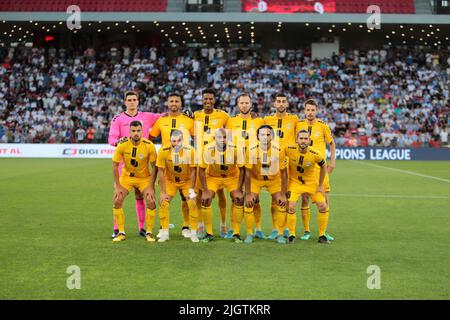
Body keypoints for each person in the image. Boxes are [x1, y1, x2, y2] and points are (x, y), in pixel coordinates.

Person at [108, 91, 161, 239]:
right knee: (118, 195)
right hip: (124, 163)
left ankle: (142, 228)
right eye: (129, 100)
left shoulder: (147, 116)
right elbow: (111, 137)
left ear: (138, 101)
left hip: (142, 163)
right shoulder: (118, 119)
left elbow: (164, 117)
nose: (132, 102)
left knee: (140, 195)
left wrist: (186, 114)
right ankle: (117, 229)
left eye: (134, 100)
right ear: (125, 102)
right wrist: (118, 142)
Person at [149, 92, 195, 238]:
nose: (174, 103)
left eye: (176, 101)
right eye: (171, 101)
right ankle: (164, 229)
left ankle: (186, 227)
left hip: (184, 164)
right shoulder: (161, 121)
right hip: (167, 164)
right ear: (168, 104)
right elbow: (150, 137)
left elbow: (197, 136)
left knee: (186, 198)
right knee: (164, 198)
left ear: (180, 103)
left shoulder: (188, 121)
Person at [225, 93, 264, 241]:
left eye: (247, 103)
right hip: (236, 165)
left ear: (251, 105)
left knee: (255, 198)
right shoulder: (231, 121)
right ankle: (233, 228)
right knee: (236, 196)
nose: (244, 105)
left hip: (253, 164)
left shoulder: (259, 121)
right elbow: (227, 141)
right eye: (241, 103)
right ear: (237, 105)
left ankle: (258, 228)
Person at [111, 121, 158, 242]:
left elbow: (155, 167)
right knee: (117, 199)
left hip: (144, 178)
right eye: (133, 131)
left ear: (142, 132)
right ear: (129, 132)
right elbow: (115, 165)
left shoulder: (149, 145)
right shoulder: (122, 144)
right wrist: (117, 186)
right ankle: (121, 232)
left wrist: (151, 186)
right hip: (127, 177)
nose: (136, 133)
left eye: (138, 131)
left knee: (151, 200)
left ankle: (149, 232)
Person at [296, 99, 335, 242]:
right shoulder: (299, 124)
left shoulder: (323, 126)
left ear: (316, 111)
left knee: (324, 198)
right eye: (308, 110)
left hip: (320, 168)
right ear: (304, 110)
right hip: (305, 168)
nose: (310, 113)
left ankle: (323, 231)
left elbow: (331, 143)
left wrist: (332, 161)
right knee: (305, 198)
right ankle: (306, 231)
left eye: (313, 110)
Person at [193, 88, 230, 238]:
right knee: (199, 193)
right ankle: (201, 224)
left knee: (220, 192)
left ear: (214, 100)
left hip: (216, 159)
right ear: (202, 100)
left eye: (210, 99)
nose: (208, 101)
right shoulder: (195, 115)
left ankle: (223, 224)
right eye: (205, 99)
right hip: (199, 159)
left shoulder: (223, 116)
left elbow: (233, 128)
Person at [198, 128, 245, 243]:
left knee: (238, 198)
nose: (222, 140)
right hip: (213, 177)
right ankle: (208, 233)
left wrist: (239, 189)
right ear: (215, 138)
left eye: (225, 138)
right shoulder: (208, 149)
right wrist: (205, 190)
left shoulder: (235, 149)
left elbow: (242, 170)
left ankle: (236, 233)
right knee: (205, 199)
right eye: (219, 137)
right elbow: (201, 170)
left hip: (231, 177)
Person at [244, 125, 288, 244]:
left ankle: (279, 233)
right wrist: (248, 194)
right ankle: (250, 233)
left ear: (272, 136)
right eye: (262, 135)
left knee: (281, 202)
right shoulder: (251, 149)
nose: (265, 137)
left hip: (274, 179)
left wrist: (283, 194)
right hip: (256, 179)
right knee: (249, 202)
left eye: (268, 135)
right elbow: (247, 174)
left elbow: (284, 174)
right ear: (258, 136)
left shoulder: (279, 149)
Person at [263, 93, 299, 239]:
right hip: (273, 162)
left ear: (287, 103)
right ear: (274, 103)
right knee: (274, 197)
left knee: (288, 196)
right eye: (278, 101)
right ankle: (275, 228)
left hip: (289, 163)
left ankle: (285, 228)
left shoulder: (294, 119)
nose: (281, 104)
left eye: (284, 101)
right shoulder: (267, 119)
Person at [285, 130, 331, 244]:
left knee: (323, 206)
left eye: (306, 139)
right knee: (291, 206)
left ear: (309, 141)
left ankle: (322, 235)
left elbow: (324, 167)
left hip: (311, 183)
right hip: (295, 183)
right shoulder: (289, 149)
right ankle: (291, 234)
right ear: (297, 140)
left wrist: (320, 186)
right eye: (301, 138)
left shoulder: (316, 154)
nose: (303, 141)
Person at [156, 129, 199, 243]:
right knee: (164, 202)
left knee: (192, 202)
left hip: (187, 181)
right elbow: (160, 171)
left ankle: (193, 232)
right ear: (170, 140)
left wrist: (191, 190)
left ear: (183, 140)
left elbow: (194, 171)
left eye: (179, 140)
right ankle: (165, 232)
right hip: (170, 181)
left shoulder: (190, 151)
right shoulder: (163, 151)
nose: (176, 143)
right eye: (173, 141)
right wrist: (163, 192)